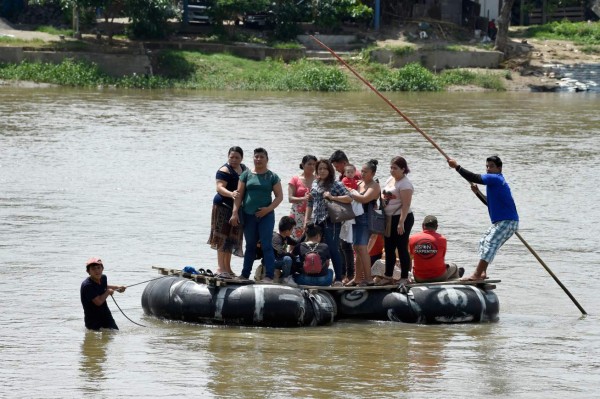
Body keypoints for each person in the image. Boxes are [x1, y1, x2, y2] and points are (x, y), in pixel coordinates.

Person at [448, 155, 519, 280]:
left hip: (508, 221)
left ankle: (476, 274)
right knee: (484, 241)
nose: (488, 169)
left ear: (499, 168)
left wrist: (457, 167)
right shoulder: (494, 183)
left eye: (491, 166)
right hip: (502, 221)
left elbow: (474, 177)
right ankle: (482, 273)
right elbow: (489, 203)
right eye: (487, 166)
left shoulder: (496, 178)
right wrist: (477, 193)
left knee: (490, 243)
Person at [230, 147, 283, 282]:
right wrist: (235, 212)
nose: (258, 159)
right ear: (253, 158)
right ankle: (245, 274)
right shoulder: (246, 175)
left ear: (267, 159)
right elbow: (239, 195)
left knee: (266, 245)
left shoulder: (272, 176)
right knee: (250, 246)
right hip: (248, 215)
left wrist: (268, 209)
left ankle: (269, 275)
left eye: (261, 157)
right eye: (256, 157)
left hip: (266, 216)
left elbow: (279, 197)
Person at [304, 158, 352, 286]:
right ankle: (318, 274)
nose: (322, 171)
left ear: (330, 170)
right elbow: (310, 201)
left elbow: (349, 198)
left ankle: (338, 279)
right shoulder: (315, 183)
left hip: (331, 220)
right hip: (316, 220)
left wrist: (332, 197)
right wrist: (307, 220)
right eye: (320, 168)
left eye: (325, 168)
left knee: (332, 249)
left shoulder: (336, 184)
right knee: (315, 248)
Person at [207, 146, 247, 279]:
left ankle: (228, 268)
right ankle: (220, 268)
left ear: (241, 158)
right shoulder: (224, 170)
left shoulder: (244, 169)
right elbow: (219, 188)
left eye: (237, 157)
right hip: (222, 206)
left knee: (231, 238)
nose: (234, 160)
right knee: (222, 236)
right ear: (228, 157)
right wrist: (232, 194)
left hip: (236, 208)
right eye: (231, 157)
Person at [378, 156, 415, 286]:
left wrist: (401, 222)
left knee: (401, 247)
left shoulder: (405, 184)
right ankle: (388, 275)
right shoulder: (391, 179)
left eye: (395, 168)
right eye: (391, 167)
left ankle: (404, 276)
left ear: (403, 169)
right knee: (388, 247)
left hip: (402, 217)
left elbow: (406, 205)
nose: (392, 170)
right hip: (389, 218)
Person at [346, 159, 381, 286]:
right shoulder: (359, 183)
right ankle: (357, 278)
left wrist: (350, 192)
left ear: (372, 173)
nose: (362, 173)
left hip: (367, 218)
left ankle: (369, 279)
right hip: (355, 217)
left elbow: (364, 199)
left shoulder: (374, 185)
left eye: (365, 172)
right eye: (362, 171)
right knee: (356, 247)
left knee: (362, 247)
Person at [329, 150, 360, 283]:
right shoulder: (343, 176)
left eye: (337, 166)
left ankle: (349, 274)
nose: (336, 169)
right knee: (341, 245)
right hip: (344, 214)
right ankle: (341, 273)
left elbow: (353, 196)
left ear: (344, 163)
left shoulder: (353, 176)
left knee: (346, 245)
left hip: (352, 214)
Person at [409, 215, 461, 283]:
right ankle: (455, 287)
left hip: (419, 278)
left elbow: (409, 258)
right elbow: (442, 256)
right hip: (439, 277)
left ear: (423, 226)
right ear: (436, 227)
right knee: (455, 267)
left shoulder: (412, 238)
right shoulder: (442, 239)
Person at [80, 258, 126, 331]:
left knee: (115, 333)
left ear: (102, 268)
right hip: (93, 320)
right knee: (95, 340)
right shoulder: (87, 285)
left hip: (106, 315)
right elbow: (98, 302)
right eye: (93, 269)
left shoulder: (103, 278)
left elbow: (103, 286)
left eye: (99, 268)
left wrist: (117, 288)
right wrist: (108, 292)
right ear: (88, 272)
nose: (97, 271)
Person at [288, 155, 317, 239]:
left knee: (311, 239)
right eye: (309, 164)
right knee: (294, 239)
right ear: (303, 165)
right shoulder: (295, 179)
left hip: (313, 213)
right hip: (297, 214)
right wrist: (303, 198)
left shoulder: (318, 179)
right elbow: (290, 199)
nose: (312, 166)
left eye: (314, 164)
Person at [272, 216, 298, 281]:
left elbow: (297, 243)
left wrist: (304, 233)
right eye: (292, 229)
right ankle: (285, 279)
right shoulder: (276, 238)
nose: (292, 231)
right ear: (287, 231)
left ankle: (289, 276)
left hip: (280, 260)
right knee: (288, 259)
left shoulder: (285, 237)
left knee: (298, 259)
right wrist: (292, 256)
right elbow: (280, 253)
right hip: (272, 261)